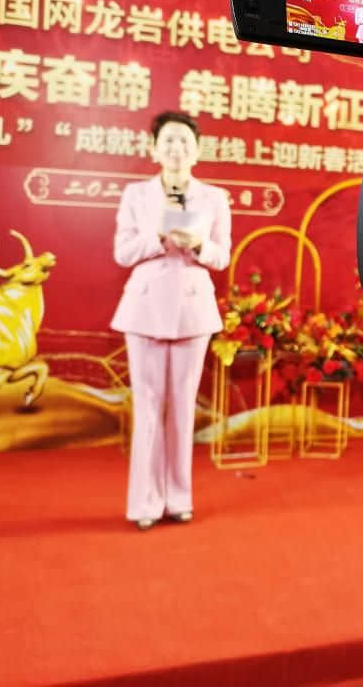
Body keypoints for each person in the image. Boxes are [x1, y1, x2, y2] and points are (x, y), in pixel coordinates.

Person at [110, 111, 231, 531]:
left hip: (192, 309)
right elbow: (123, 252)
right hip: (143, 309)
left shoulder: (214, 197)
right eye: (169, 141)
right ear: (154, 149)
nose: (177, 149)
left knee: (182, 408)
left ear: (197, 151)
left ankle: (179, 498)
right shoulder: (136, 195)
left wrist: (198, 245)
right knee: (147, 408)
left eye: (184, 142)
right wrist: (158, 237)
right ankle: (145, 502)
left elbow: (222, 256)